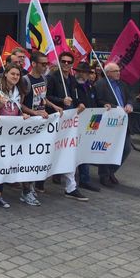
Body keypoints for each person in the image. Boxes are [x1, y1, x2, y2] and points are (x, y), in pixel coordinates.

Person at [20, 52, 63, 205]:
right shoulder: (25, 81)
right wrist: (34, 113)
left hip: (40, 124)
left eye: (47, 63)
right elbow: (20, 104)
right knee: (27, 158)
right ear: (33, 64)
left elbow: (42, 97)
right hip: (29, 124)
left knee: (36, 158)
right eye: (43, 64)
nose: (46, 66)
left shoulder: (44, 79)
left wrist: (54, 106)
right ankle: (25, 191)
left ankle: (30, 187)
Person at [0, 63, 30, 208]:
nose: (15, 77)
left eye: (18, 74)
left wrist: (23, 115)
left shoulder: (17, 90)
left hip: (11, 133)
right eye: (13, 74)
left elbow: (17, 108)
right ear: (5, 74)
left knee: (5, 163)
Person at [45, 52, 89, 201]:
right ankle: (38, 183)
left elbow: (74, 96)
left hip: (68, 122)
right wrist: (61, 101)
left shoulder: (71, 79)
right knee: (49, 152)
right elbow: (46, 97)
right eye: (63, 61)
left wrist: (79, 103)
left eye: (69, 62)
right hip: (54, 120)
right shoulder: (52, 77)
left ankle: (71, 186)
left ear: (72, 64)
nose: (66, 64)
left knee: (69, 151)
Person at [95, 62, 133, 187]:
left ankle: (112, 171)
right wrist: (112, 106)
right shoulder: (101, 84)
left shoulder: (122, 84)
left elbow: (129, 98)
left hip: (123, 122)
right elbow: (99, 100)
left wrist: (129, 105)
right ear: (108, 73)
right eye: (115, 71)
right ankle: (104, 175)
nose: (118, 73)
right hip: (109, 122)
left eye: (118, 70)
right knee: (107, 148)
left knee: (126, 148)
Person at [74, 61, 103, 192]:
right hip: (74, 122)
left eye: (84, 72)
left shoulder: (91, 87)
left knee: (84, 150)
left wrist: (106, 106)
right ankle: (60, 176)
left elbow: (97, 101)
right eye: (79, 71)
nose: (81, 75)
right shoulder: (72, 85)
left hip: (89, 122)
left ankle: (84, 179)